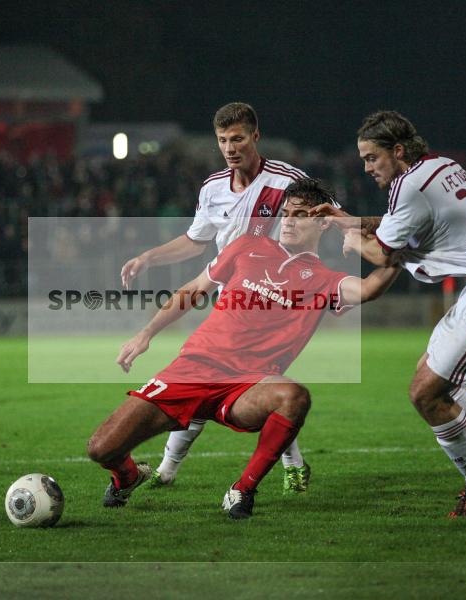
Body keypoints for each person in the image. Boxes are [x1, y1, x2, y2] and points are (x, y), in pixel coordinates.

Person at [89, 179, 400, 519]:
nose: (290, 221)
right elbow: (194, 289)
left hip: (248, 386)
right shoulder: (246, 246)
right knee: (101, 448)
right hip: (193, 369)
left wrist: (402, 249)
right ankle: (129, 477)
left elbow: (369, 288)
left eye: (300, 215)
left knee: (294, 396)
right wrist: (146, 333)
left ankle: (242, 490)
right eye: (285, 213)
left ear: (323, 222)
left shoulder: (325, 279)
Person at [313, 111, 466, 518]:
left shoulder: (408, 186)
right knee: (437, 380)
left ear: (397, 151)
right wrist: (349, 220)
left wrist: (350, 238)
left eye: (372, 158)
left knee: (425, 392)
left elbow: (384, 253)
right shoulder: (439, 167)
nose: (366, 168)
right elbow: (402, 223)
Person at [120, 102, 315, 492]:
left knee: (205, 381)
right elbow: (196, 241)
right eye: (223, 140)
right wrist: (149, 257)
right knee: (243, 385)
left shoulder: (286, 181)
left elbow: (323, 217)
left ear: (255, 137)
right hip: (231, 302)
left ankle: (168, 470)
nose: (230, 147)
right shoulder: (212, 188)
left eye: (238, 138)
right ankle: (293, 465)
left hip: (272, 302)